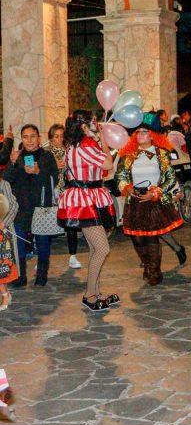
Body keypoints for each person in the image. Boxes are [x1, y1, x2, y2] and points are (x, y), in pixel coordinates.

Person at [57, 111, 116, 312]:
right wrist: (102, 140)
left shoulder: (72, 146)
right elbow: (109, 165)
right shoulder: (87, 145)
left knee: (95, 249)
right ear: (83, 127)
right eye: (91, 122)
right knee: (102, 249)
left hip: (85, 198)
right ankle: (90, 295)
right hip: (87, 200)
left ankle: (96, 292)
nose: (95, 125)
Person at [116, 113, 185, 286]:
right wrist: (126, 187)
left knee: (152, 237)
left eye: (144, 132)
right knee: (136, 238)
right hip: (135, 201)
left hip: (153, 199)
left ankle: (154, 271)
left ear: (153, 135)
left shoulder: (161, 154)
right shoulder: (129, 155)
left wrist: (156, 192)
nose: (140, 135)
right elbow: (120, 175)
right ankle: (147, 264)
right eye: (138, 132)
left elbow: (170, 178)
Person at [2, 124, 59, 289]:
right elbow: (6, 179)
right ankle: (20, 277)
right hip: (21, 209)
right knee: (18, 244)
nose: (29, 140)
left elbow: (53, 180)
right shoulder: (18, 157)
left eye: (32, 136)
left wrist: (37, 172)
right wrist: (12, 163)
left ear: (39, 138)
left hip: (41, 207)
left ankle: (42, 274)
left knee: (42, 243)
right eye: (25, 137)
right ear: (22, 139)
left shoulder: (47, 157)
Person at [44, 123, 83, 270]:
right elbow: (38, 173)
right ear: (51, 138)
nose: (59, 139)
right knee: (46, 226)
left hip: (67, 192)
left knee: (70, 225)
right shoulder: (45, 152)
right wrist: (54, 167)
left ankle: (72, 256)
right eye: (56, 136)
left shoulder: (70, 151)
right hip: (49, 192)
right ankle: (43, 258)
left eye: (61, 136)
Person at [0, 177, 18, 310]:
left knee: (2, 267)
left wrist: (4, 222)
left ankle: (5, 295)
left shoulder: (3, 184)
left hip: (2, 233)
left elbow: (13, 205)